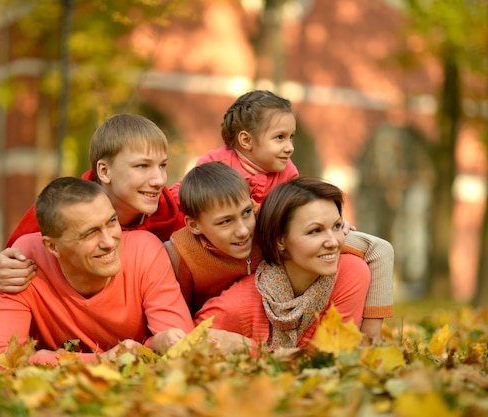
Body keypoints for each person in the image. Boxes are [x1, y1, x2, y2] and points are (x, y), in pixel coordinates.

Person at [0, 177, 194, 367]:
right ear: (52, 246)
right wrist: (105, 359)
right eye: (90, 233)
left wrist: (149, 346)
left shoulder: (145, 250)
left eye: (112, 222)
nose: (109, 242)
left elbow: (181, 346)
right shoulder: (22, 263)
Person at [165, 162, 393, 340]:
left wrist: (370, 338)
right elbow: (180, 323)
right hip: (232, 313)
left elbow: (378, 249)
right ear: (194, 225)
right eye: (225, 222)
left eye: (246, 213)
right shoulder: (181, 254)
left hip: (281, 296)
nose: (244, 231)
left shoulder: (265, 222)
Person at [0, 114, 185, 299]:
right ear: (104, 171)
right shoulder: (60, 208)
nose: (159, 180)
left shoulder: (178, 221)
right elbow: (5, 274)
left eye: (162, 165)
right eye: (142, 166)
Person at [194, 176, 371, 349]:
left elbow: (330, 357)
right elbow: (187, 343)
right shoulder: (238, 305)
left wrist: (248, 348)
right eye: (315, 231)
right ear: (280, 240)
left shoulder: (350, 272)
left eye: (337, 226)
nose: (333, 242)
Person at [170, 90, 298, 206]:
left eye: (291, 137)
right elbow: (179, 195)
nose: (290, 148)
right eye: (280, 137)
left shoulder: (288, 173)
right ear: (246, 140)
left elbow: (293, 212)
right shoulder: (216, 163)